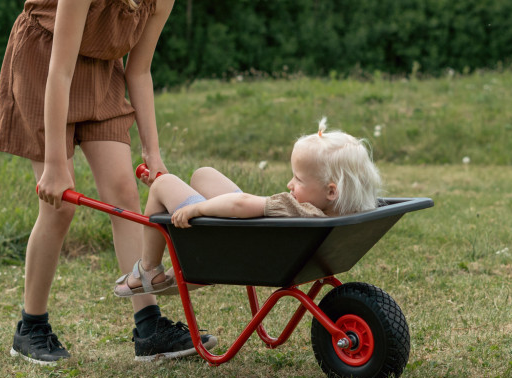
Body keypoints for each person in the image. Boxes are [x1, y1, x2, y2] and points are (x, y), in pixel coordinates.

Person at [0, 0, 216, 365]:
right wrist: (55, 161)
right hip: (44, 66)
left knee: (124, 195)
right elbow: (59, 70)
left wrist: (153, 153)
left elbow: (139, 71)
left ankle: (148, 328)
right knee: (60, 205)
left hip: (101, 71)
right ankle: (30, 327)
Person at [115, 118, 382, 297]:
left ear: (331, 191)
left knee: (164, 184)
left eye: (298, 179)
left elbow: (241, 204)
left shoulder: (294, 208)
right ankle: (175, 259)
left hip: (232, 254)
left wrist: (198, 210)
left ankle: (149, 271)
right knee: (202, 175)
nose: (290, 184)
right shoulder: (350, 210)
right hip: (258, 248)